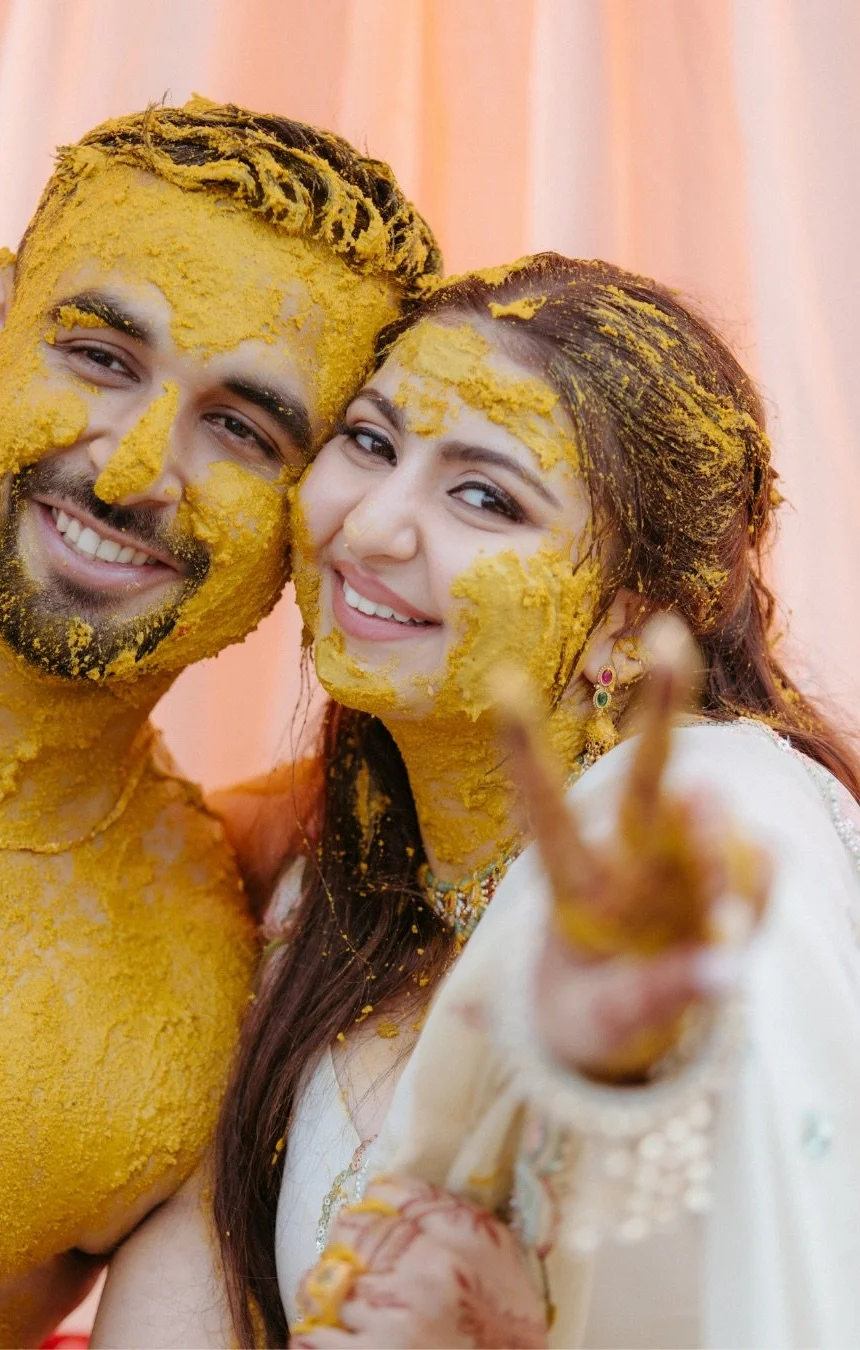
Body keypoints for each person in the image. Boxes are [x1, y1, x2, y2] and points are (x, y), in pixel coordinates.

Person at [95, 255, 860, 1349]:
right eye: (369, 441)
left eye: (484, 496)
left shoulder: (708, 834)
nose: (368, 530)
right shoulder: (325, 877)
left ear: (634, 621)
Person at [0, 99, 439, 1346]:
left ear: (319, 526)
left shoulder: (195, 1016)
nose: (135, 466)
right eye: (98, 357)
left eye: (243, 430)